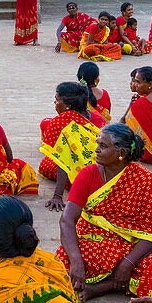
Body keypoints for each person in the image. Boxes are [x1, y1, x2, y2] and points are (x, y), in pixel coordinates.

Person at [56, 123, 152, 303]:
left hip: (131, 245)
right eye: (98, 143)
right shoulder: (87, 174)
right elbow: (67, 220)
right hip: (93, 241)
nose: (96, 150)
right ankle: (114, 283)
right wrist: (76, 261)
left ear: (121, 153)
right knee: (62, 259)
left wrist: (127, 264)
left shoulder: (145, 180)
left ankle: (102, 287)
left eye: (103, 146)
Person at [39, 82, 104, 210]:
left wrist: (58, 196)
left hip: (82, 177)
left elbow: (63, 161)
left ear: (68, 106)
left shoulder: (59, 123)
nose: (54, 103)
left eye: (57, 100)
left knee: (46, 164)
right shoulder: (96, 117)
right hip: (105, 172)